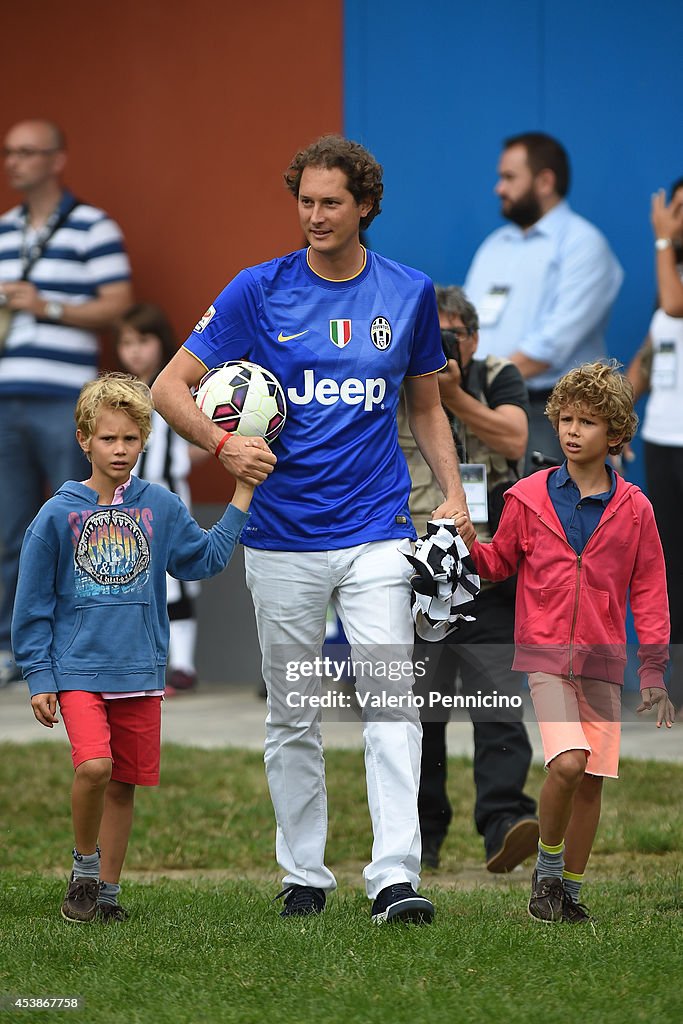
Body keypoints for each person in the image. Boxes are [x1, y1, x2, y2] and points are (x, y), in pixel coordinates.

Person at [151, 134, 470, 925]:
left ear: (364, 205)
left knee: (390, 703)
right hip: (283, 537)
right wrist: (223, 443)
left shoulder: (408, 293)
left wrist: (454, 499)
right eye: (305, 202)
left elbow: (425, 408)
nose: (315, 216)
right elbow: (167, 388)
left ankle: (395, 878)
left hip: (377, 532)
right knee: (292, 712)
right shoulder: (257, 290)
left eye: (331, 202)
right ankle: (304, 876)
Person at [11, 373, 255, 923]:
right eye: (107, 439)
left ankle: (109, 898)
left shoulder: (162, 506)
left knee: (123, 786)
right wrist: (40, 677)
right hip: (76, 670)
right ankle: (84, 870)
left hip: (141, 672)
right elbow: (32, 607)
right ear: (83, 441)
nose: (119, 450)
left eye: (130, 439)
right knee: (95, 767)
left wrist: (242, 492)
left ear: (144, 440)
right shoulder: (55, 515)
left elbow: (205, 560)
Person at [462, 361, 673, 924]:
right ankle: (547, 874)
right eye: (565, 419)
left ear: (617, 436)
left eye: (588, 422)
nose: (572, 430)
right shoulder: (527, 497)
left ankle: (569, 893)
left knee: (592, 783)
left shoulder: (636, 510)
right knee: (570, 764)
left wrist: (653, 671)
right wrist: (466, 545)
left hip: (604, 661)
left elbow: (650, 590)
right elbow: (500, 561)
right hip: (546, 656)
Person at [399, 285, 538, 872]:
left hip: (490, 567)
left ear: (473, 339)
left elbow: (515, 439)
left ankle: (505, 821)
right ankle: (422, 834)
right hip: (419, 565)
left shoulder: (496, 375)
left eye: (451, 335)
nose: (443, 345)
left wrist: (452, 395)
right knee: (422, 708)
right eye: (434, 335)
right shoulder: (399, 380)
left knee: (498, 701)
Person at [0, 119, 132, 687]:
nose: (15, 162)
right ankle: (14, 651)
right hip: (7, 399)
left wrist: (47, 307)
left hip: (65, 403)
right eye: (9, 152)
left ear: (57, 160)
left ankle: (78, 648)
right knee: (10, 530)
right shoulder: (3, 230)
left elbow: (118, 303)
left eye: (28, 152)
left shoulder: (92, 226)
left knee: (75, 527)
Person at [464, 131, 623, 470]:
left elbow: (551, 345)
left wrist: (479, 384)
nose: (499, 188)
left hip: (553, 415)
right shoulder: (495, 244)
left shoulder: (583, 244)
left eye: (509, 177)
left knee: (554, 518)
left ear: (545, 181)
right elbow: (466, 320)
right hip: (482, 409)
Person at [117, 302, 209, 694]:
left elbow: (214, 427)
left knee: (176, 580)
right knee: (132, 578)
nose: (134, 351)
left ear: (161, 342)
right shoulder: (118, 393)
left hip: (170, 499)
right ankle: (144, 665)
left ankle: (183, 666)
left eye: (143, 340)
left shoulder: (177, 389)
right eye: (126, 342)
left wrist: (183, 460)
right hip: (126, 503)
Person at [626, 178, 683, 716]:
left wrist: (662, 241)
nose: (674, 218)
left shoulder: (673, 278)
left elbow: (674, 305)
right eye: (673, 209)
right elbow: (651, 350)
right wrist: (617, 418)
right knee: (670, 567)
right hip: (664, 442)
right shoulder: (673, 273)